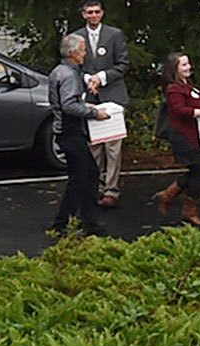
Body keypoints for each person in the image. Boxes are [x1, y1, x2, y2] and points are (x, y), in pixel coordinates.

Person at [48, 33, 112, 236]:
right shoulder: (68, 75)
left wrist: (83, 105)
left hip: (67, 131)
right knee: (80, 178)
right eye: (83, 50)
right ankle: (63, 223)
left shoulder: (59, 71)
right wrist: (94, 112)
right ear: (74, 53)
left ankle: (87, 221)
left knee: (89, 174)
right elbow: (68, 105)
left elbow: (67, 102)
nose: (85, 54)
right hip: (70, 132)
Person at [152, 52, 200, 227]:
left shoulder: (187, 85)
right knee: (199, 168)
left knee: (199, 169)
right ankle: (188, 210)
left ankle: (168, 196)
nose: (188, 67)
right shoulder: (173, 89)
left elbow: (195, 102)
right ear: (174, 69)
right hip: (182, 136)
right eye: (184, 65)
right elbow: (178, 110)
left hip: (196, 135)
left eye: (188, 63)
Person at [74, 1, 129, 208]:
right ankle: (93, 188)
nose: (94, 15)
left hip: (113, 96)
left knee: (113, 148)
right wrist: (90, 79)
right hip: (90, 97)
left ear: (102, 13)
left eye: (97, 12)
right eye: (90, 12)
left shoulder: (115, 35)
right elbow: (73, 65)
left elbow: (123, 65)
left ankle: (111, 190)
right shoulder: (77, 36)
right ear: (84, 14)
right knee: (93, 146)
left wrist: (102, 77)